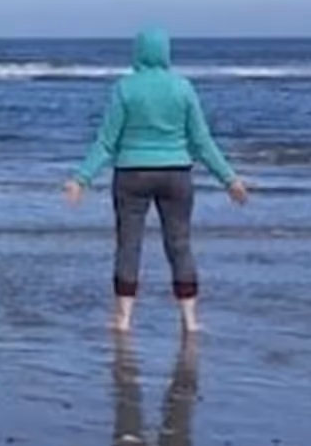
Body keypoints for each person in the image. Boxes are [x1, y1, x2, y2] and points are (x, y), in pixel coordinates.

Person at [63, 28, 249, 334]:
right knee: (180, 244)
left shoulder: (124, 88)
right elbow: (201, 142)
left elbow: (106, 142)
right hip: (176, 174)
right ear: (165, 53)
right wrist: (229, 179)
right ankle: (190, 321)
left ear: (138, 52)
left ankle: (124, 319)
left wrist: (81, 179)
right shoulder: (182, 88)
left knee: (128, 245)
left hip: (131, 174)